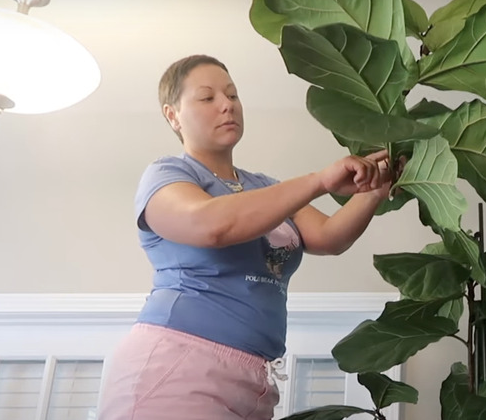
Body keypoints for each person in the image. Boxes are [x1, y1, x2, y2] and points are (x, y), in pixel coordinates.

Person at [96, 54, 395, 420]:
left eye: (233, 95)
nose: (227, 105)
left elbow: (329, 237)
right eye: (208, 98)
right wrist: (319, 180)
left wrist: (376, 190)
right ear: (172, 115)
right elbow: (212, 225)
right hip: (177, 366)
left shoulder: (265, 187)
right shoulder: (167, 174)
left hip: (253, 380)